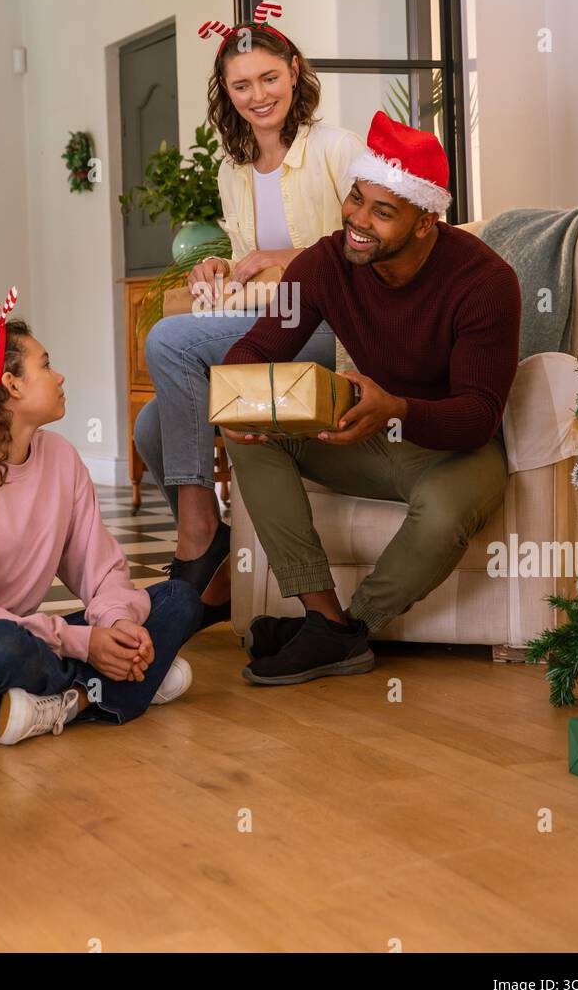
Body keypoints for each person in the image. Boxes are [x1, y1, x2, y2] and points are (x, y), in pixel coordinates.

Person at [221, 113, 522, 686]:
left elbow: (478, 417)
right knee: (250, 434)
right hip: (362, 428)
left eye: (383, 212)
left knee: (445, 513)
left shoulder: (485, 282)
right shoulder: (324, 264)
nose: (357, 221)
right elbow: (258, 346)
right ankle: (321, 614)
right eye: (356, 200)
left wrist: (399, 409)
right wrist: (241, 400)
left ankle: (343, 633)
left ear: (425, 221)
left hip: (452, 445)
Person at [133, 6, 365, 621]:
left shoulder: (338, 150)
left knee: (168, 339)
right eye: (242, 85)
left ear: (294, 73)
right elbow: (250, 269)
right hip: (269, 328)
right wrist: (218, 270)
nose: (258, 96)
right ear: (227, 93)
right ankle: (224, 573)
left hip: (332, 335)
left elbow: (371, 244)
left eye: (269, 78)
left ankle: (198, 538)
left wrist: (283, 255)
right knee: (151, 426)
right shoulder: (232, 172)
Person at [0, 298, 202, 746]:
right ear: (11, 385)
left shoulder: (61, 459)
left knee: (179, 598)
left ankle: (67, 700)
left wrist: (114, 625)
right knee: (2, 646)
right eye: (47, 365)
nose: (60, 376)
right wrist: (83, 643)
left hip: (26, 637)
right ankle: (117, 686)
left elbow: (101, 568)